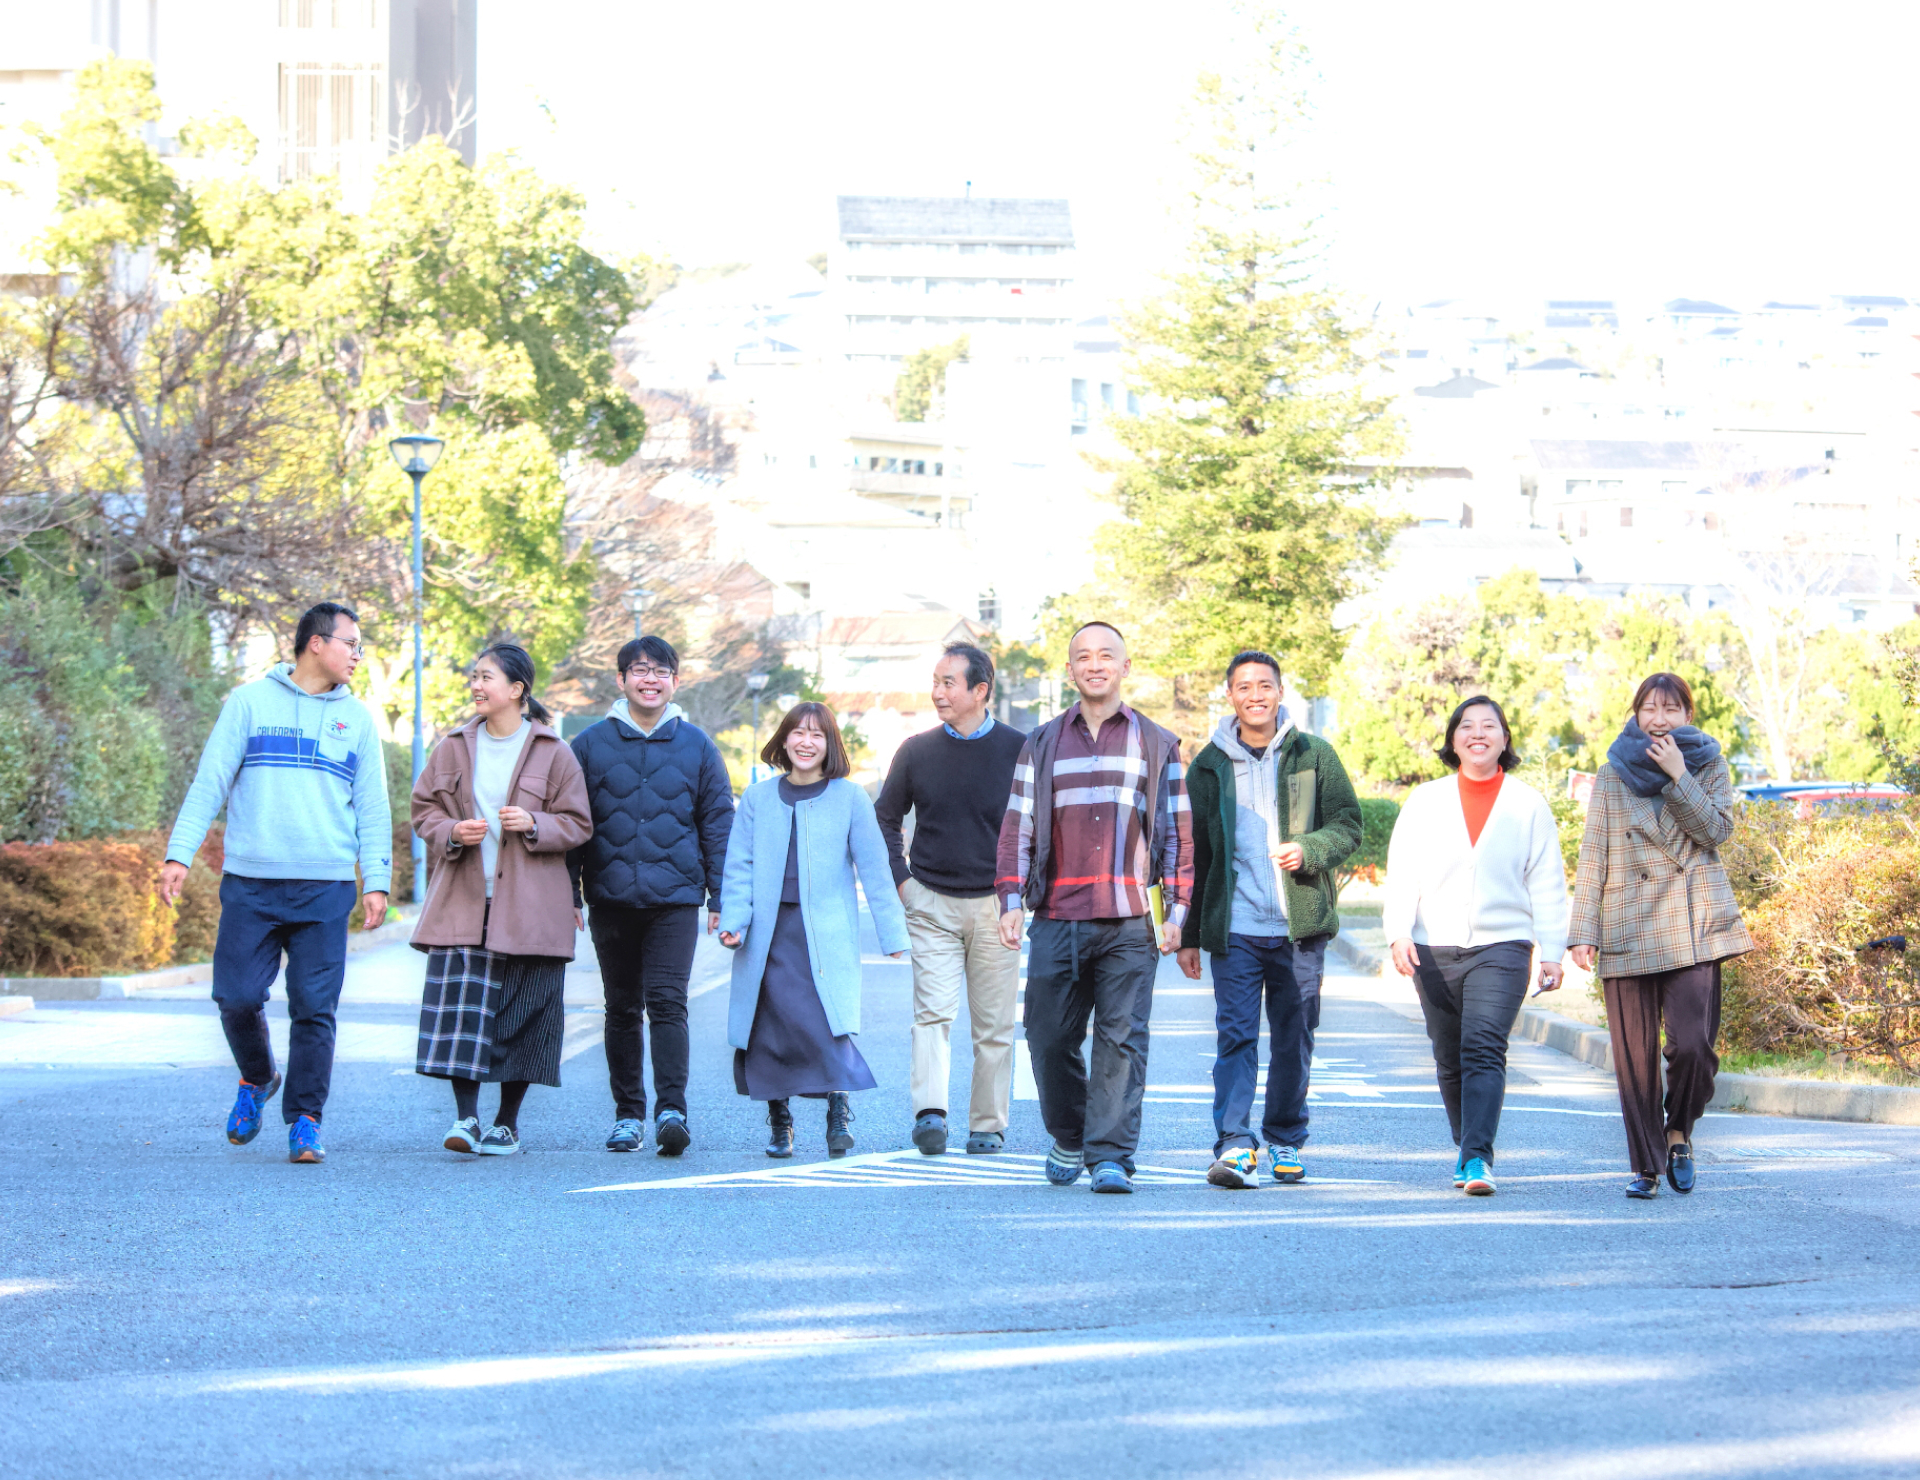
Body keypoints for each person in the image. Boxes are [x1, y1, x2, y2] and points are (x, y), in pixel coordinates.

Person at [157, 601, 392, 1165]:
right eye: (351, 644)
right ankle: (257, 1076)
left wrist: (376, 880)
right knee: (235, 997)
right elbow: (209, 782)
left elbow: (373, 808)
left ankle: (306, 1120)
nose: (357, 655)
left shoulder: (356, 719)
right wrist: (178, 855)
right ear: (317, 643)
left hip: (325, 887)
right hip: (251, 885)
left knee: (315, 1007)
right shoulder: (248, 703)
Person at [995, 621, 1191, 1195]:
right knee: (1047, 1034)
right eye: (1083, 656)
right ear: (1071, 670)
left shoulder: (1157, 743)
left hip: (1131, 918)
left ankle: (1111, 1156)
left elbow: (1178, 835)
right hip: (1057, 913)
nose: (1095, 664)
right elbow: (1018, 827)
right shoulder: (1043, 742)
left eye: (1107, 655)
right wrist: (1011, 899)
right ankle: (1070, 1132)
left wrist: (1176, 914)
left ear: (1125, 667)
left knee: (1121, 1038)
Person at [1177, 651, 1362, 1190]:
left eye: (1265, 685)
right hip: (1235, 928)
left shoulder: (1314, 756)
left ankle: (1285, 1140)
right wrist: (1191, 934)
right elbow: (1197, 855)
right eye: (1243, 687)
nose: (1254, 695)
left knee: (1294, 1035)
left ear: (1281, 692)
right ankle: (1235, 1145)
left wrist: (1310, 848)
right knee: (1235, 1037)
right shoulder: (1209, 765)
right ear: (1229, 695)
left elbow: (1348, 826)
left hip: (1298, 928)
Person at [1569, 673, 1752, 1200]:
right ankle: (1645, 1166)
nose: (1659, 719)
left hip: (1691, 923)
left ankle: (1678, 1132)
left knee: (1693, 1046)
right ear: (1636, 713)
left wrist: (1678, 775)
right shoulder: (1612, 772)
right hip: (1627, 921)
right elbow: (1594, 852)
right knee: (1634, 1059)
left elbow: (1715, 831)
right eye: (1649, 708)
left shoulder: (1708, 763)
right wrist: (1583, 930)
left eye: (1671, 709)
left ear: (1687, 716)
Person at [409, 644, 592, 1156]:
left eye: (486, 677)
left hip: (531, 905)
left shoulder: (554, 752)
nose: (476, 685)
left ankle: (506, 1123)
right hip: (463, 900)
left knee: (525, 1013)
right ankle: (466, 1119)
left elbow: (579, 824)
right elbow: (423, 810)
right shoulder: (450, 747)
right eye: (474, 676)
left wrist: (536, 823)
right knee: (461, 1015)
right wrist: (450, 830)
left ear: (517, 690)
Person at [1385, 696, 1568, 1197]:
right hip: (1433, 945)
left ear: (1506, 739)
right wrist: (1399, 931)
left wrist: (1552, 950)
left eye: (1490, 725)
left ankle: (1477, 1159)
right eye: (1467, 725)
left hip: (1503, 946)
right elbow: (1403, 871)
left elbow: (1548, 881)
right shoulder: (1425, 800)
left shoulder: (1527, 802)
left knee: (1484, 1046)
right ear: (1453, 739)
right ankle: (1466, 1144)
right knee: (1448, 1054)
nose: (1478, 733)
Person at [717, 703, 908, 1158]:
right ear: (783, 741)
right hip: (767, 935)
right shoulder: (759, 798)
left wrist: (894, 935)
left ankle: (837, 1112)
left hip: (824, 936)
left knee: (825, 1024)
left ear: (830, 745)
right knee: (770, 1028)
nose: (806, 742)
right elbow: (738, 865)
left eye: (817, 735)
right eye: (797, 733)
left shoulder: (850, 798)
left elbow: (875, 870)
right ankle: (780, 1122)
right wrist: (733, 921)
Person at [568, 634, 733, 1157]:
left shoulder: (697, 745)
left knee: (667, 1004)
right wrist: (569, 892)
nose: (650, 679)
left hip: (675, 899)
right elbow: (572, 822)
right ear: (620, 681)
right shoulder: (590, 745)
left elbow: (717, 822)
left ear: (675, 682)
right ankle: (627, 1115)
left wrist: (720, 895)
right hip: (610, 897)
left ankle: (671, 1111)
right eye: (639, 670)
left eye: (661, 671)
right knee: (620, 1007)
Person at [875, 642, 1028, 1156]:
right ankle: (930, 1115)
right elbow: (885, 818)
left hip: (996, 905)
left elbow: (1038, 826)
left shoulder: (1019, 750)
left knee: (994, 1026)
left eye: (948, 683)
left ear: (979, 690)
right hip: (931, 902)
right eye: (935, 682)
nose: (937, 692)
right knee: (932, 1015)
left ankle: (987, 1124)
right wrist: (903, 881)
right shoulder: (916, 751)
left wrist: (1020, 896)